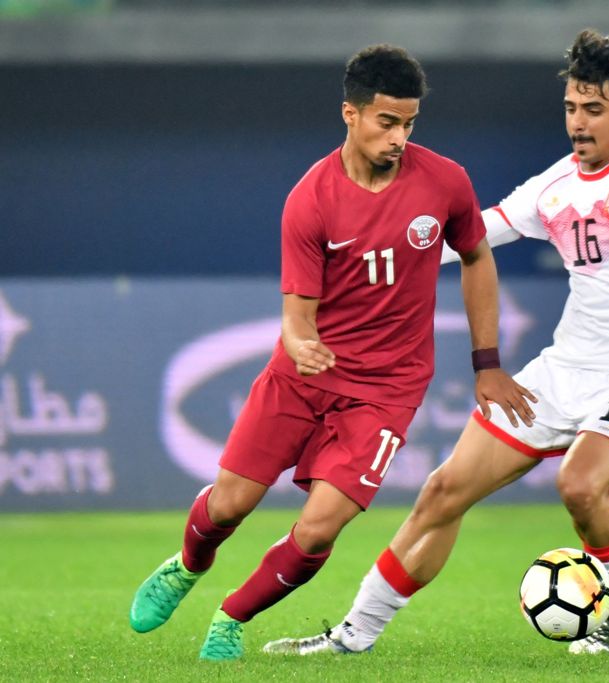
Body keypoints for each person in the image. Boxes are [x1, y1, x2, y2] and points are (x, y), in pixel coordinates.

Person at [263, 28, 609, 657]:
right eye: (571, 109)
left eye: (594, 110)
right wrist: (378, 255)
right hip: (565, 367)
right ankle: (352, 637)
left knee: (581, 487)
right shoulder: (555, 185)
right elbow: (477, 234)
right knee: (443, 493)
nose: (578, 123)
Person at [127, 44, 535, 661]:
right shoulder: (311, 199)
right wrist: (303, 346)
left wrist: (486, 362)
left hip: (387, 389)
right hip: (302, 375)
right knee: (231, 503)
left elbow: (477, 257)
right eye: (386, 122)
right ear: (350, 113)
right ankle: (187, 565)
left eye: (409, 124)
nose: (399, 137)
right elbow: (296, 320)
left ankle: (231, 617)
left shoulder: (445, 182)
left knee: (320, 528)